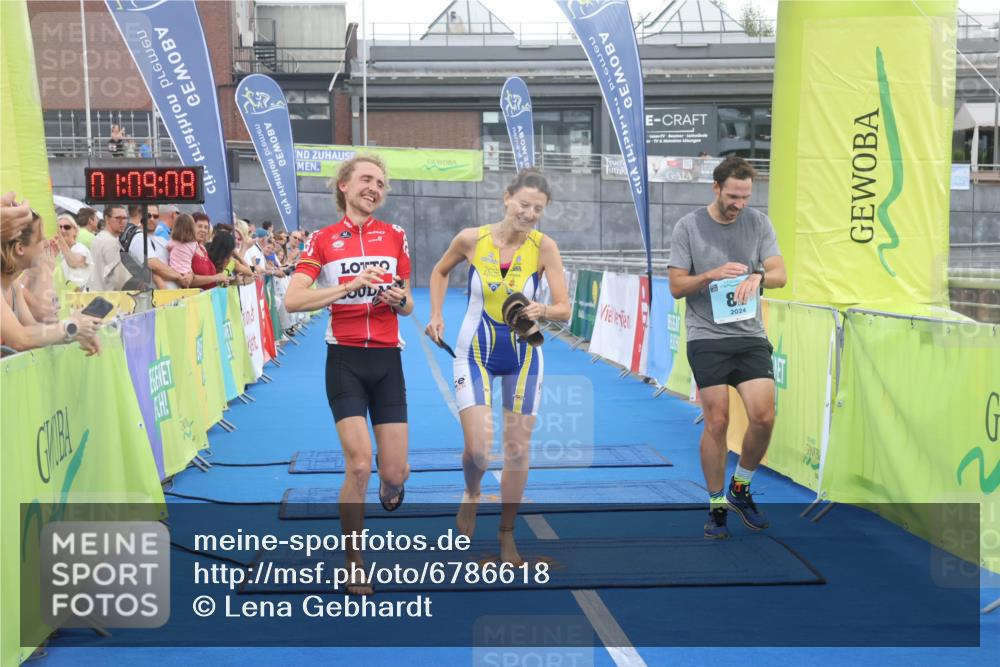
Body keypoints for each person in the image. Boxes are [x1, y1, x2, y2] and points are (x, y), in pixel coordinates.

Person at [425, 167, 570, 565]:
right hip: (473, 351)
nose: (528, 214)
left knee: (518, 450)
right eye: (523, 204)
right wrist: (436, 314)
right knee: (477, 451)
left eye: (537, 209)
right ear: (506, 198)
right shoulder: (472, 239)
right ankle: (471, 491)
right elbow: (440, 270)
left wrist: (545, 309)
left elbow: (565, 308)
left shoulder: (544, 248)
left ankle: (507, 534)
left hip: (524, 357)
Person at [284, 154, 413, 596]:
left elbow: (410, 302)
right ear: (343, 185)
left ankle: (390, 482)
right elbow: (293, 301)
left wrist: (398, 299)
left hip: (387, 360)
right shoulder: (321, 240)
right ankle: (354, 561)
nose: (374, 188)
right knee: (359, 465)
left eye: (380, 182)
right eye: (365, 179)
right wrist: (347, 287)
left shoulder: (395, 235)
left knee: (395, 473)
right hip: (344, 361)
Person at [667, 155, 787, 540]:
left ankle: (741, 487)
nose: (739, 204)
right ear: (716, 188)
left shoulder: (758, 223)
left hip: (749, 335)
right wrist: (710, 275)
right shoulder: (688, 227)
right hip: (706, 336)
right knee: (717, 421)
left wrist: (759, 275)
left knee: (764, 417)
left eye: (745, 196)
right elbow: (676, 287)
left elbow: (782, 275)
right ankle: (717, 504)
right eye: (733, 196)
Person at [2, 211, 102, 354]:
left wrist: (75, 333)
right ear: (19, 249)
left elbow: (34, 330)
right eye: (41, 239)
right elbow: (21, 339)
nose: (47, 243)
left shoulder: (14, 285)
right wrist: (72, 325)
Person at [55, 214, 92, 291]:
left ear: (75, 231)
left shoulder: (81, 249)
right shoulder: (59, 252)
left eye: (67, 227)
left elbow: (74, 263)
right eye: (59, 227)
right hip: (62, 297)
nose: (62, 230)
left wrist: (59, 236)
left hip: (80, 298)